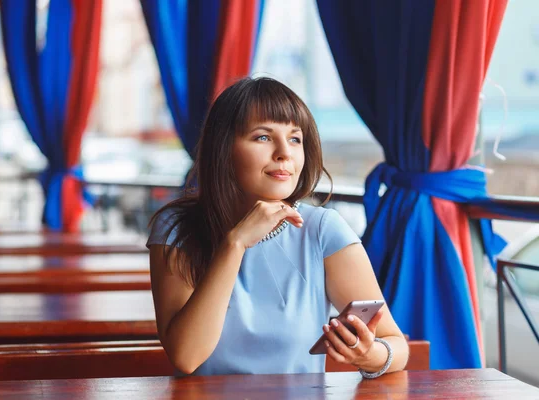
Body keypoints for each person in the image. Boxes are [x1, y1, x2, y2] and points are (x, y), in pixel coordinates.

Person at [147, 77, 409, 376]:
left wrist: (369, 354)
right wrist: (235, 244)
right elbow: (186, 356)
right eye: (263, 137)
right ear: (223, 149)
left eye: (295, 138)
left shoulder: (323, 230)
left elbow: (395, 343)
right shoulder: (177, 228)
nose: (285, 152)